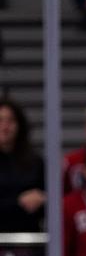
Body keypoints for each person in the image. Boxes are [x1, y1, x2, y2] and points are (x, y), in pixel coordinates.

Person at [0, 97, 45, 234]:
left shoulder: (35, 161)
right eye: (0, 120)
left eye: (11, 120)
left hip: (28, 239)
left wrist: (42, 199)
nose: (5, 126)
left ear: (20, 125)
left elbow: (52, 202)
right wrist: (18, 202)